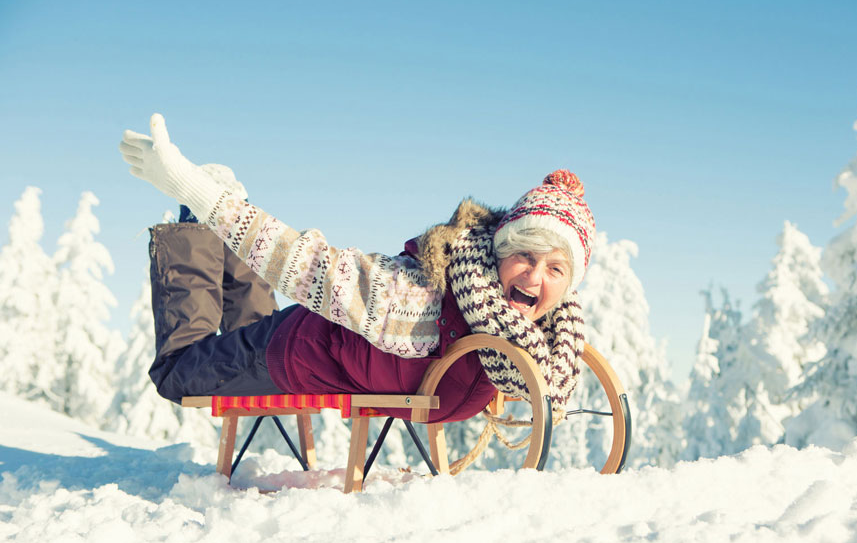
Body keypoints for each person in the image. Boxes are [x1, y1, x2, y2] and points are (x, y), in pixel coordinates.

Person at [119, 114, 594, 423]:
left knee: (244, 330)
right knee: (178, 372)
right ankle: (197, 223)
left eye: (555, 269)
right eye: (525, 258)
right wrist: (201, 195)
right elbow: (304, 264)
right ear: (499, 252)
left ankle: (220, 229)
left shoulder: (539, 335)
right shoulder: (418, 297)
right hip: (294, 355)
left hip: (311, 345)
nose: (535, 277)